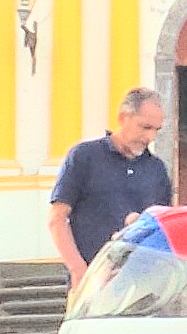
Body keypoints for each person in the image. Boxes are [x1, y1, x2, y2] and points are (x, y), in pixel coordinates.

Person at [48, 88, 172, 285]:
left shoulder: (157, 169)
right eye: (145, 127)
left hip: (142, 285)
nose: (150, 137)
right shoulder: (84, 156)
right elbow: (57, 218)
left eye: (156, 130)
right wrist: (79, 270)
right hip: (91, 281)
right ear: (123, 118)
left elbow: (163, 229)